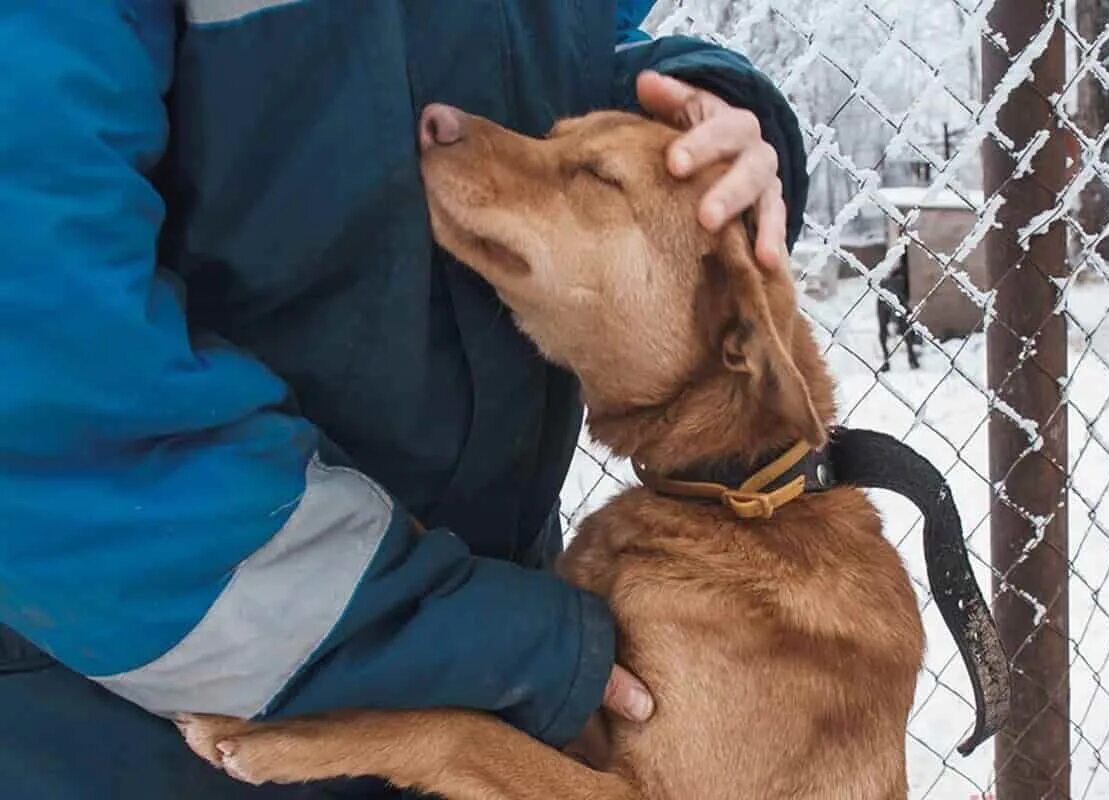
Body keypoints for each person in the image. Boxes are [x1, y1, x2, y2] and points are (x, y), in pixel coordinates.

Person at [0, 1, 807, 797]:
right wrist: (463, 648)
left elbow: (523, 50)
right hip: (150, 703)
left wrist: (695, 113)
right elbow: (42, 378)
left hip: (481, 645)